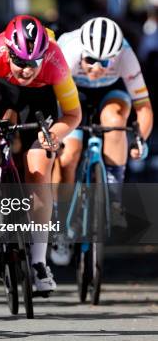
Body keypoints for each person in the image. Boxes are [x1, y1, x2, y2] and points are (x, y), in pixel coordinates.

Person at [0, 15, 81, 293]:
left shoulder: (55, 62)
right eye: (20, 61)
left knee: (39, 174)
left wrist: (54, 134)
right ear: (7, 52)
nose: (26, 69)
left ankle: (39, 264)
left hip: (38, 99)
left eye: (33, 63)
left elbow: (73, 114)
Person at [51, 17, 153, 265]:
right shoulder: (68, 50)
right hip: (72, 94)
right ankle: (60, 223)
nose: (96, 68)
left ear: (115, 55)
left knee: (115, 119)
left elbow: (143, 106)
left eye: (104, 61)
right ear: (82, 52)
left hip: (111, 92)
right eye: (90, 60)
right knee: (69, 155)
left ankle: (113, 195)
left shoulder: (126, 54)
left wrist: (140, 140)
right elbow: (50, 99)